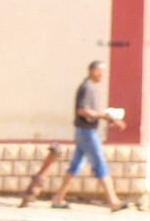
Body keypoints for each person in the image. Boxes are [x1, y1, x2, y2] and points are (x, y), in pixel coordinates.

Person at [52, 60, 130, 211]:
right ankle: (113, 201)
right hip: (87, 132)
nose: (104, 75)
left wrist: (106, 117)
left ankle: (58, 197)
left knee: (76, 166)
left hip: (84, 131)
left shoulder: (90, 87)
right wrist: (105, 116)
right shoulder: (88, 87)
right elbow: (83, 111)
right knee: (100, 164)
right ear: (95, 71)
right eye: (102, 72)